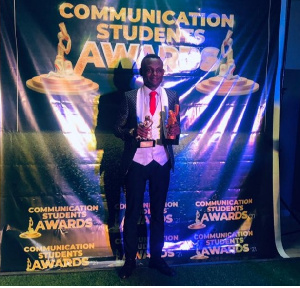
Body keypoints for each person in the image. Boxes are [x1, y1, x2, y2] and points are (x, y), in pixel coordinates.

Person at [114, 54, 180, 279]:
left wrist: (175, 132)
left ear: (163, 72)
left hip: (161, 160)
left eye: (159, 70)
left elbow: (175, 127)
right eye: (150, 70)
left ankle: (157, 259)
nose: (155, 74)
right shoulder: (130, 97)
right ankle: (130, 261)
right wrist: (132, 132)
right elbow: (117, 128)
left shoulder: (171, 95)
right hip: (136, 160)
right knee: (132, 213)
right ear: (142, 73)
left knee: (158, 214)